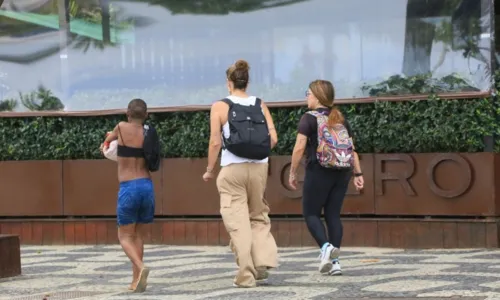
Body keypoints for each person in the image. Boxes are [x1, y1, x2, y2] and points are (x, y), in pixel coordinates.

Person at [202, 59, 279, 288]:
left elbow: (215, 142)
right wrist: (256, 154)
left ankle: (246, 275)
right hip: (259, 169)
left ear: (229, 83)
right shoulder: (260, 104)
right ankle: (262, 261)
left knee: (238, 222)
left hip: (232, 170)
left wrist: (209, 170)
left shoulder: (220, 106)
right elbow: (273, 139)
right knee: (258, 215)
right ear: (247, 82)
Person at [289, 80, 364, 276]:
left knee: (311, 213)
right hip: (342, 171)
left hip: (319, 170)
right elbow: (352, 149)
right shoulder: (340, 118)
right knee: (333, 215)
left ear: (317, 96)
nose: (307, 96)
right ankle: (335, 263)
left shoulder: (308, 118)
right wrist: (358, 173)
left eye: (309, 93)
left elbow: (299, 147)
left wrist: (292, 171)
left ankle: (325, 247)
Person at [100, 99, 154, 293]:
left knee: (124, 236)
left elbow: (107, 142)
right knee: (138, 235)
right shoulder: (148, 132)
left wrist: (107, 141)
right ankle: (136, 281)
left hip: (128, 187)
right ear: (146, 115)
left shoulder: (122, 126)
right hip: (147, 186)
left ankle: (140, 267)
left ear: (127, 113)